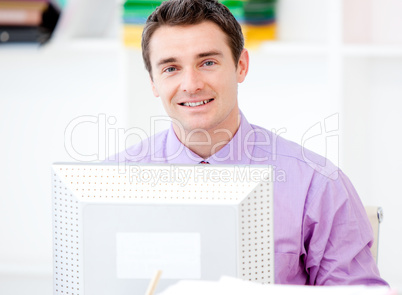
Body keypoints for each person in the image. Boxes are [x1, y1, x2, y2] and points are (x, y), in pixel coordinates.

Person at [111, 0, 388, 286]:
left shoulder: (316, 185)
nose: (191, 84)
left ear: (241, 66)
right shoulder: (108, 184)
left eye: (207, 62)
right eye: (171, 68)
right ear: (153, 82)